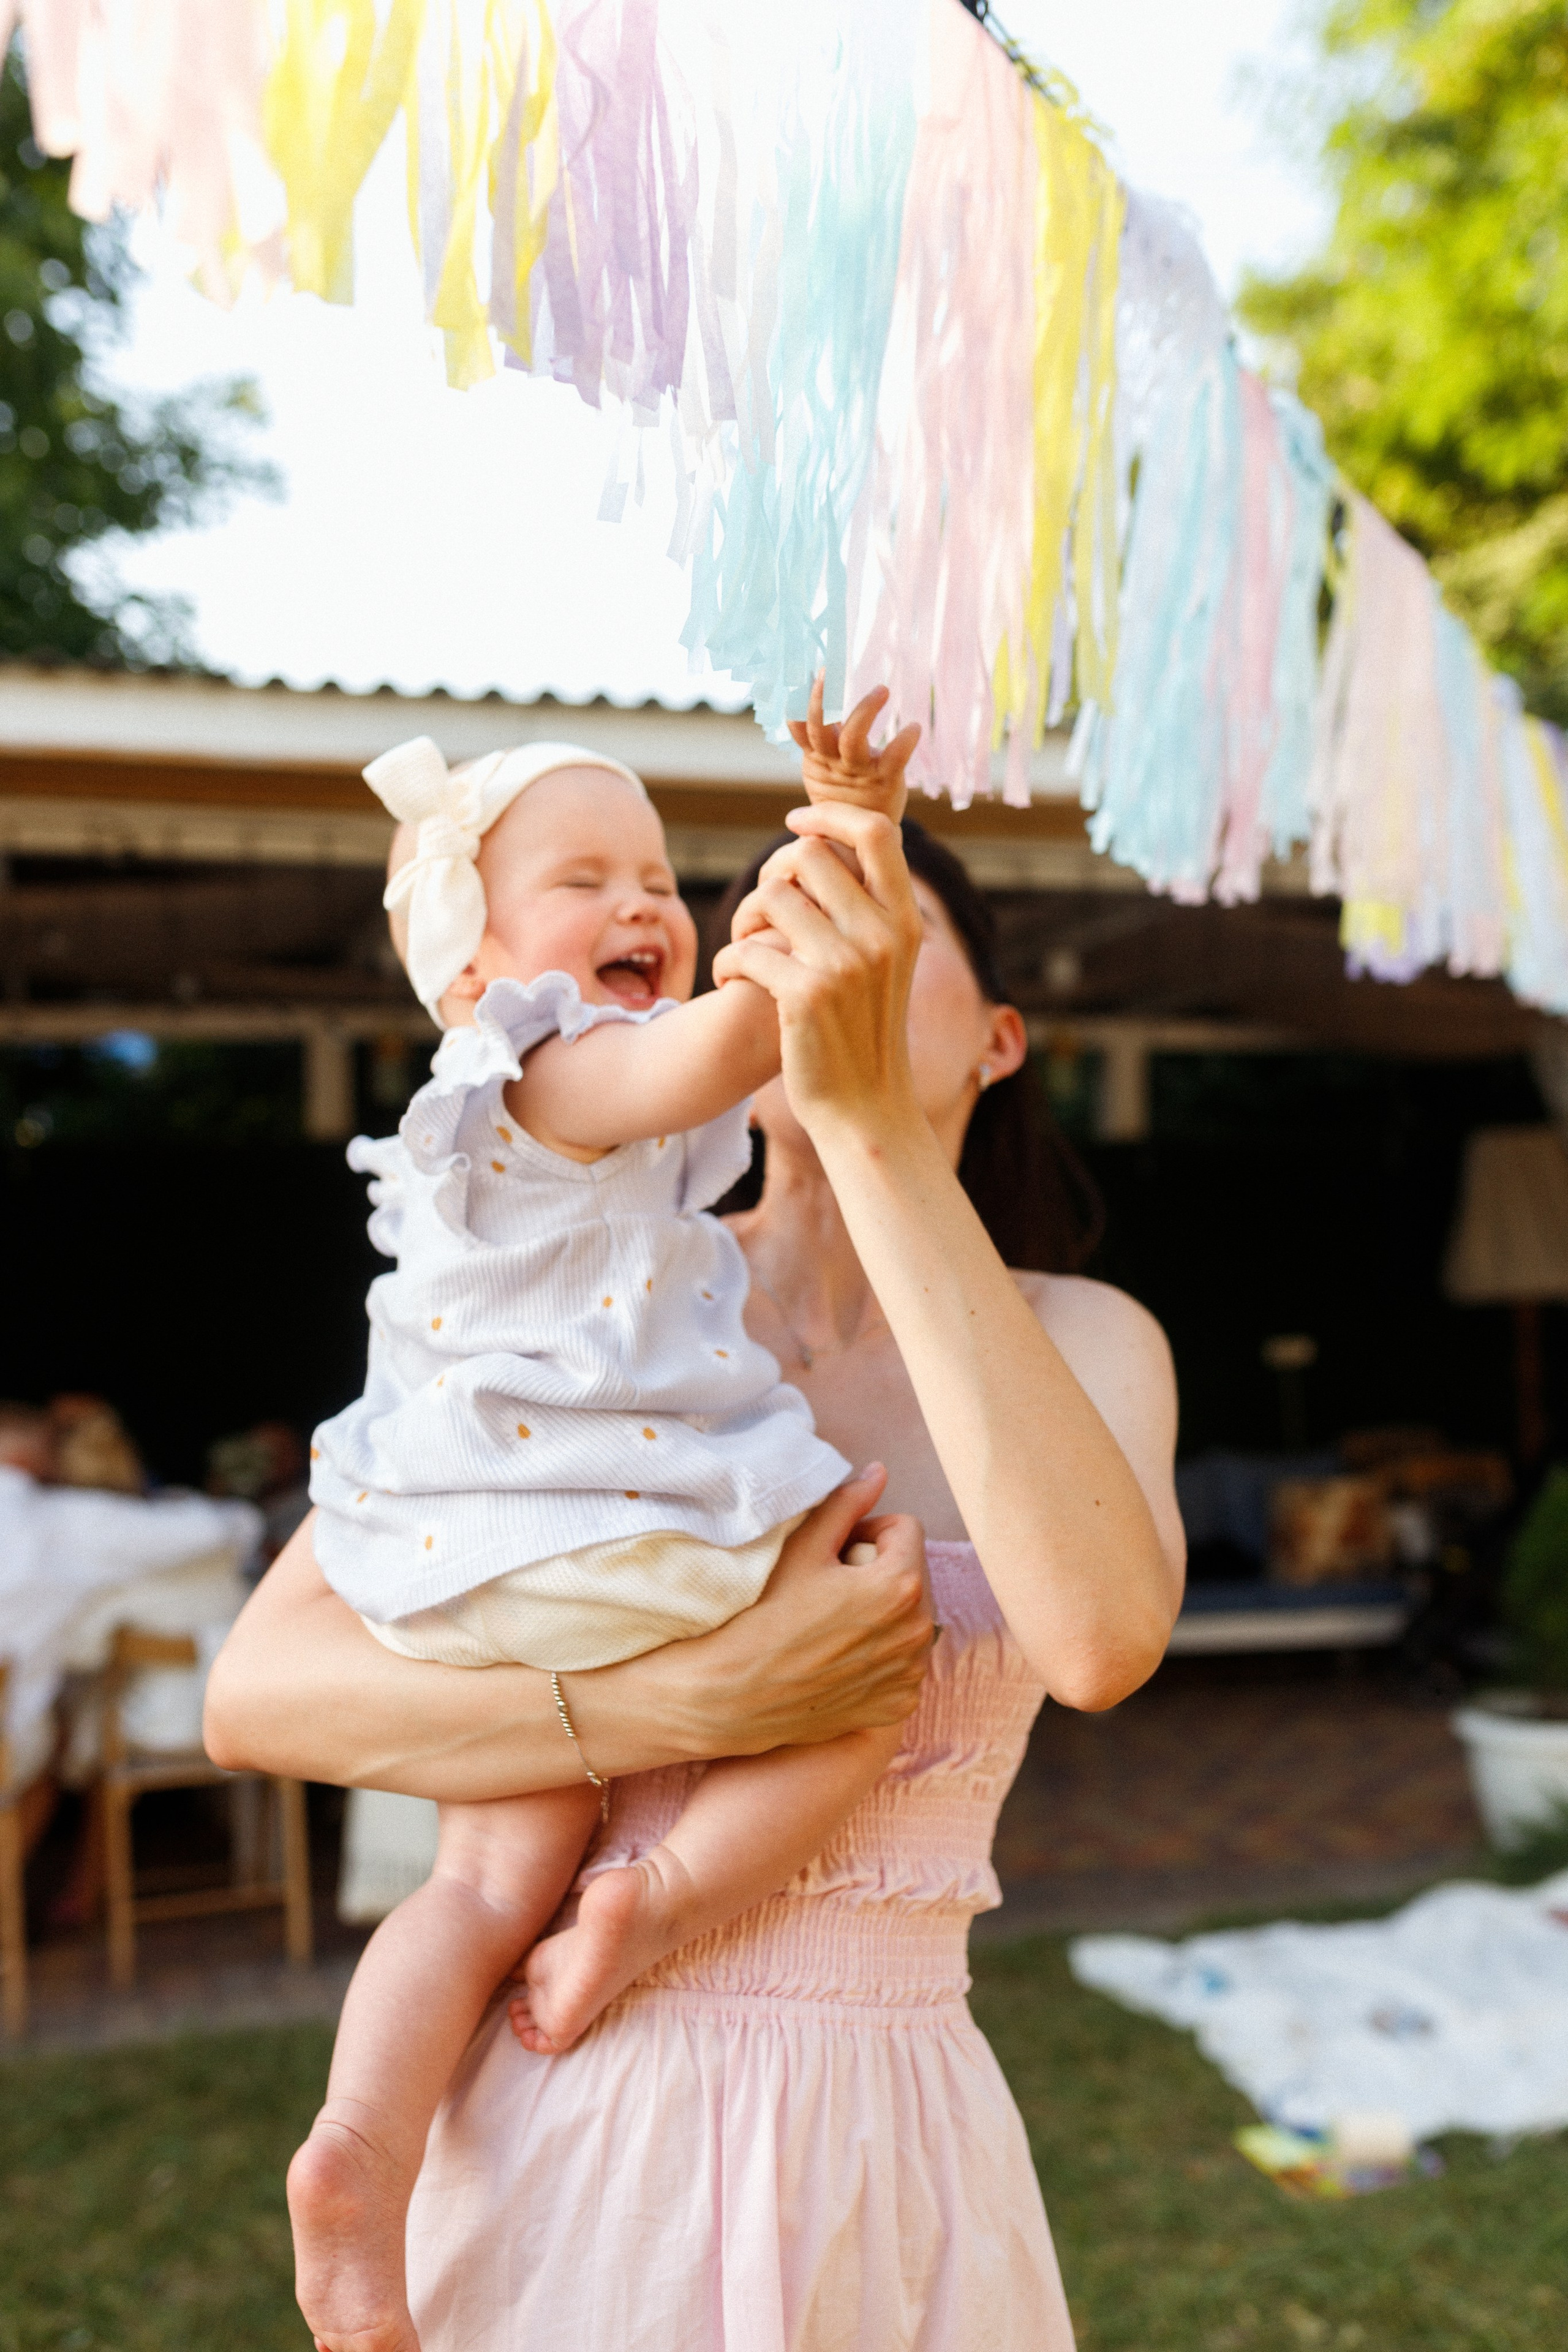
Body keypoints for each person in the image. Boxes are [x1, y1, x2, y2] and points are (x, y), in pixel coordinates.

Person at [206, 783, 1183, 2352]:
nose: (813, 959)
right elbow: (255, 1696)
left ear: (999, 1039)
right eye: (780, 924)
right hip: (558, 2099)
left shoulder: (1084, 1337)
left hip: (887, 2128)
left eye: (870, 922)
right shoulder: (589, 1297)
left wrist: (868, 1130)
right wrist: (688, 1693)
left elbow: (1100, 1642)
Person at [284, 686, 926, 2352]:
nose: (645, 904)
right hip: (613, 1533)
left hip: (473, 1564)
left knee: (483, 1882)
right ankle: (670, 1903)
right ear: (472, 969)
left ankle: (361, 2150)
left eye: (661, 872)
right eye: (585, 879)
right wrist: (845, 841)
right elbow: (738, 1039)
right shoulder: (546, 1066)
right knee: (870, 1645)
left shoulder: (538, 1114)